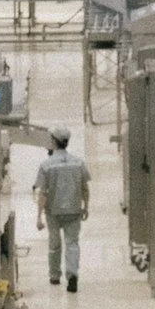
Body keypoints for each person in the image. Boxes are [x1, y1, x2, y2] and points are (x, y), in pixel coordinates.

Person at [34, 125, 91, 294]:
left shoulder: (46, 165)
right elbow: (85, 188)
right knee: (72, 243)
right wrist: (86, 206)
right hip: (74, 210)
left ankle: (54, 275)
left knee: (54, 244)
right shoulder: (78, 162)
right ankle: (72, 276)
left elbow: (43, 193)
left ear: (53, 141)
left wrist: (39, 216)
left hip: (53, 212)